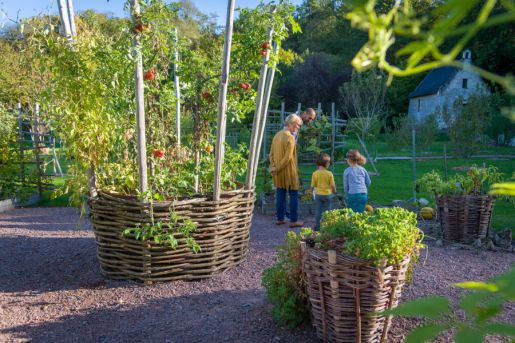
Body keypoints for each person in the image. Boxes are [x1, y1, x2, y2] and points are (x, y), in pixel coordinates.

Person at [269, 114, 303, 228]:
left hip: (278, 172)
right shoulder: (290, 137)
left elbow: (271, 154)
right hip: (289, 172)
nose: (298, 128)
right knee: (293, 194)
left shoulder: (277, 135)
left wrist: (274, 167)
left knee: (280, 193)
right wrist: (277, 168)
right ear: (291, 124)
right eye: (297, 125)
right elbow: (288, 158)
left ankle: (280, 219)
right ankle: (293, 221)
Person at [310, 153, 336, 231]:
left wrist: (311, 192)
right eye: (329, 163)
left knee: (318, 211)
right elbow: (333, 186)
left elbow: (312, 186)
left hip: (318, 195)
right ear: (326, 164)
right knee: (328, 211)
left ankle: (318, 227)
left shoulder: (315, 173)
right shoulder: (329, 174)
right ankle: (327, 227)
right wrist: (334, 192)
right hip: (327, 195)